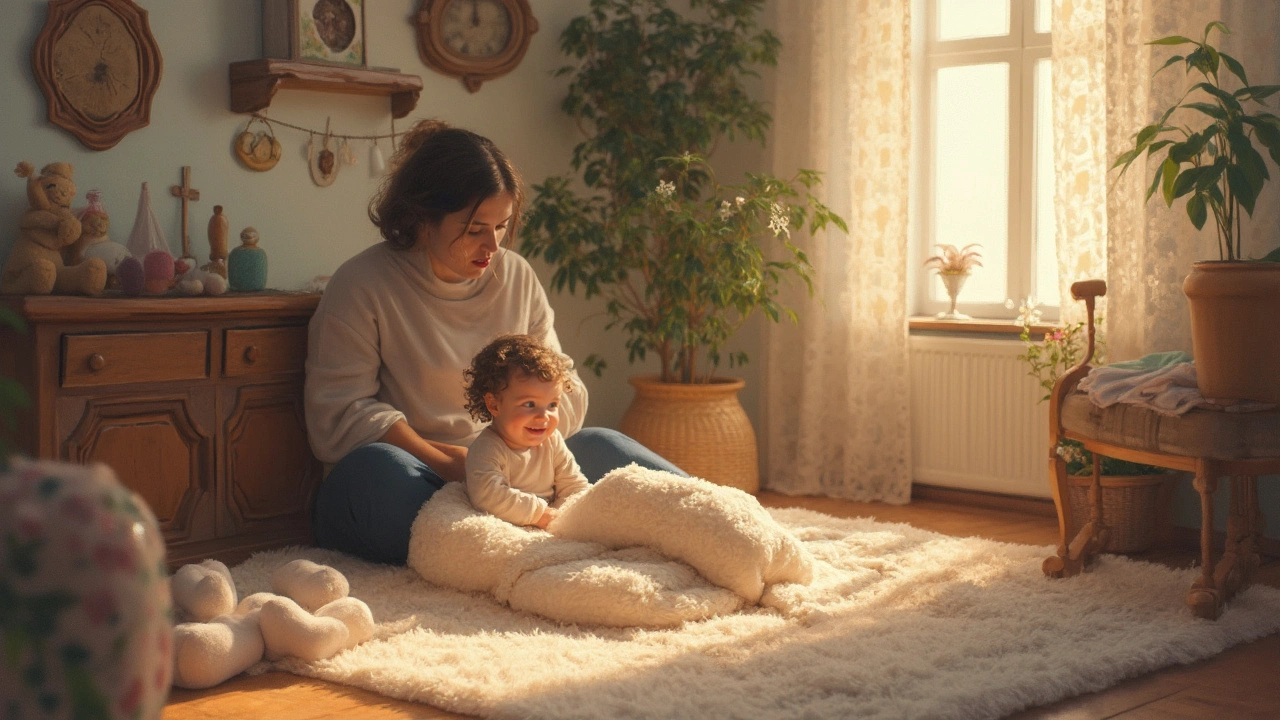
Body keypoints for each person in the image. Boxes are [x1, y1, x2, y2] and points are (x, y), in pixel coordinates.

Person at [305, 119, 685, 565]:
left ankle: (720, 519)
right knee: (375, 474)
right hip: (423, 473)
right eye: (474, 229)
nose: (492, 245)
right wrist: (458, 465)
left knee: (605, 445)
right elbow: (341, 411)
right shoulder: (362, 283)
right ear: (423, 217)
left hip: (519, 461)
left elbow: (561, 382)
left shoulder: (516, 276)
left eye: (501, 226)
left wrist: (518, 451)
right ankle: (530, 550)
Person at [462, 334, 589, 529]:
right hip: (510, 526)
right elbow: (488, 495)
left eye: (553, 404)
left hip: (552, 520)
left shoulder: (552, 440)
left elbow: (573, 484)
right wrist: (542, 515)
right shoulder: (487, 448)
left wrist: (574, 515)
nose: (543, 416)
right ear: (494, 404)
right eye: (530, 404)